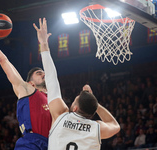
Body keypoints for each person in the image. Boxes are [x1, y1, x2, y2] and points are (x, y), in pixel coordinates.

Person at [33, 18, 120, 150]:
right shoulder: (97, 128)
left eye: (75, 100)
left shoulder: (60, 115)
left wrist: (44, 43)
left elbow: (51, 79)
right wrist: (95, 104)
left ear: (74, 108)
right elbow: (115, 125)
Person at [0, 19, 51, 150]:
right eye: (38, 73)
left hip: (51, 144)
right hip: (31, 143)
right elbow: (3, 61)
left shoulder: (54, 99)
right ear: (30, 83)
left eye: (43, 72)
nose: (43, 74)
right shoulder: (27, 90)